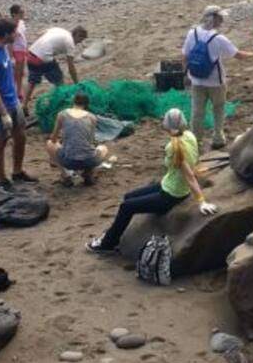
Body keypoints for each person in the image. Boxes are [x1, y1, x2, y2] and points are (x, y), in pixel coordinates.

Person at [86, 109, 216, 254]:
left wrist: (201, 200)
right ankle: (117, 233)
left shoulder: (173, 147)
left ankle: (108, 243)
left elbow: (189, 176)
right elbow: (193, 162)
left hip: (171, 195)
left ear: (166, 125)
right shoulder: (190, 136)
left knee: (126, 207)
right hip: (168, 185)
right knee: (129, 197)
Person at [182, 5, 253, 150]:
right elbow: (238, 55)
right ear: (214, 19)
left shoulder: (192, 34)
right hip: (216, 81)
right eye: (220, 18)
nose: (221, 21)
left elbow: (184, 56)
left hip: (197, 80)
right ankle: (217, 138)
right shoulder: (218, 38)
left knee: (197, 112)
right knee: (218, 108)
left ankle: (195, 140)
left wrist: (186, 74)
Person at [0, 18, 36, 191]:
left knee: (20, 136)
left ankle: (17, 171)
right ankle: (2, 180)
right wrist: (3, 113)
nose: (17, 34)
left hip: (13, 102)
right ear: (6, 34)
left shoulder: (4, 48)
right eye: (14, 32)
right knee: (0, 142)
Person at [46, 92, 109, 186]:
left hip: (69, 161)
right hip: (89, 160)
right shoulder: (92, 117)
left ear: (73, 102)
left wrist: (63, 140)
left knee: (49, 143)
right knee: (103, 148)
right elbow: (91, 141)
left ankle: (65, 175)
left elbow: (53, 138)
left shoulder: (62, 114)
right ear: (87, 104)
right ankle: (89, 173)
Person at [23, 25, 87, 113]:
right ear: (77, 35)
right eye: (80, 40)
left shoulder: (59, 30)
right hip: (44, 58)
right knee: (59, 81)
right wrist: (76, 83)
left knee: (32, 82)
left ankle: (24, 105)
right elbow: (71, 66)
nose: (79, 43)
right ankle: (60, 104)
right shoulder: (70, 42)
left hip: (31, 55)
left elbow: (39, 33)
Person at [9, 4, 28, 99]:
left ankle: (18, 91)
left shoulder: (21, 22)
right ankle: (14, 91)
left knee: (20, 73)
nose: (23, 14)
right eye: (20, 12)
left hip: (22, 50)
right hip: (16, 51)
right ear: (14, 14)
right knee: (15, 73)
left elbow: (23, 37)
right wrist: (11, 55)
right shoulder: (11, 25)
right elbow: (9, 41)